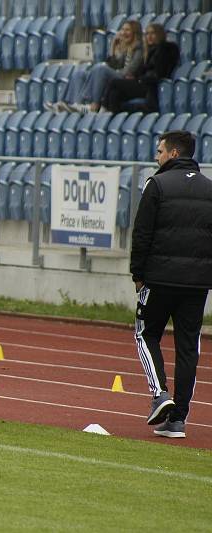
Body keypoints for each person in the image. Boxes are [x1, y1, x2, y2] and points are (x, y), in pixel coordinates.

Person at [130, 130, 212, 439]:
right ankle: (178, 420)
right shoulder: (209, 189)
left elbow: (142, 233)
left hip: (159, 278)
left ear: (174, 154)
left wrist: (138, 274)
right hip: (197, 285)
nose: (157, 156)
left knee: (145, 333)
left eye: (160, 151)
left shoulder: (157, 185)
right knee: (188, 347)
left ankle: (159, 393)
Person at [48, 20, 144, 113]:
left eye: (127, 30)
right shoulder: (125, 48)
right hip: (118, 77)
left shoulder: (139, 48)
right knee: (80, 74)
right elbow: (112, 65)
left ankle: (94, 105)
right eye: (122, 30)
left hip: (128, 82)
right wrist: (113, 47)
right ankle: (76, 105)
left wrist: (115, 71)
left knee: (100, 68)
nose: (123, 33)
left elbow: (130, 70)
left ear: (135, 32)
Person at [104, 23, 180, 113]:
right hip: (143, 83)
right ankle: (113, 120)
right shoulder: (150, 50)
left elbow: (158, 73)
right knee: (115, 93)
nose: (149, 36)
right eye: (147, 34)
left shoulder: (164, 49)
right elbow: (142, 69)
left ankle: (102, 108)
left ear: (159, 34)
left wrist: (139, 79)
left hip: (150, 86)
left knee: (114, 82)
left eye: (153, 33)